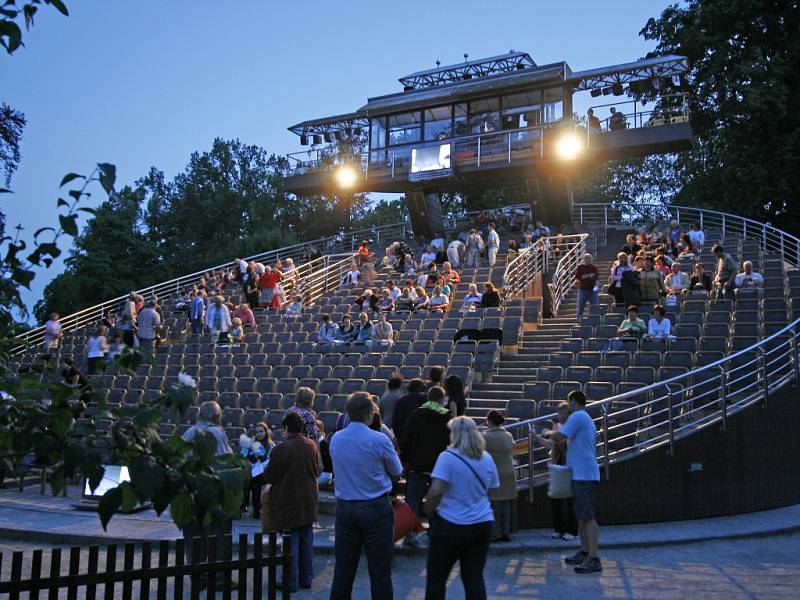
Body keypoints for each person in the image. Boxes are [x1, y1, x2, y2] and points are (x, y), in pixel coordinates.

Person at [329, 392, 402, 600]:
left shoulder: (336, 439)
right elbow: (397, 471)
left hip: (345, 507)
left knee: (343, 571)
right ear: (370, 414)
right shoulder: (379, 439)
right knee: (380, 571)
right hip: (376, 507)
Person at [422, 416, 499, 599]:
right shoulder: (487, 458)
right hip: (482, 522)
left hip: (451, 523)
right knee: (474, 577)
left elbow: (436, 491)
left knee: (437, 577)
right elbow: (494, 489)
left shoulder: (447, 457)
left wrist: (427, 508)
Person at [262, 412, 321, 593]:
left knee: (290, 542)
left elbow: (269, 476)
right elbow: (318, 470)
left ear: (286, 428)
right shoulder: (312, 445)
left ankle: (290, 581)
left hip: (288, 500)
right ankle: (306, 578)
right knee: (306, 539)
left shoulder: (282, 449)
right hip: (308, 499)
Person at [549, 390, 602, 573]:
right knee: (581, 516)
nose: (567, 405)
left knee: (588, 517)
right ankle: (584, 551)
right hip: (580, 474)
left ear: (573, 402)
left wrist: (546, 431)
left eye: (568, 402)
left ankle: (594, 558)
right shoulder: (582, 417)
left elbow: (558, 437)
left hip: (585, 474)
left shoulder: (578, 416)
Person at [181, 401, 234, 573]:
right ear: (216, 417)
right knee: (217, 535)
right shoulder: (217, 433)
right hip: (213, 493)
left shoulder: (189, 433)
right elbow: (225, 462)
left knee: (194, 536)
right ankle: (218, 575)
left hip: (191, 492)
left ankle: (198, 574)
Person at [399, 386, 452, 547]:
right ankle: (436, 534)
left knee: (412, 502)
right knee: (438, 501)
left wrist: (406, 460)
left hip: (417, 466)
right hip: (439, 468)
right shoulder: (447, 417)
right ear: (442, 399)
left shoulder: (415, 415)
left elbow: (405, 439)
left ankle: (412, 535)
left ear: (428, 398)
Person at [532, 403, 578, 541]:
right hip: (558, 464)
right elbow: (550, 444)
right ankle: (558, 529)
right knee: (555, 497)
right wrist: (535, 437)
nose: (561, 416)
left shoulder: (571, 427)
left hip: (571, 465)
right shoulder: (558, 427)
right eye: (559, 413)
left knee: (570, 499)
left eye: (564, 414)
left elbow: (555, 439)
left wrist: (544, 434)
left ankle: (572, 530)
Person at [239, 422, 274, 519]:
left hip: (265, 473)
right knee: (252, 483)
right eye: (257, 432)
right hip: (252, 472)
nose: (259, 434)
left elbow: (269, 461)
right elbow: (243, 456)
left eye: (261, 431)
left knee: (254, 481)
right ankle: (252, 509)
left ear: (266, 432)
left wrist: (259, 467)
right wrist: (251, 465)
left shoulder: (271, 446)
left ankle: (251, 508)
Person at [575, 253, 599, 322]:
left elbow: (595, 277)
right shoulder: (580, 267)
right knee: (581, 306)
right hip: (583, 290)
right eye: (586, 258)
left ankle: (593, 321)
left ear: (591, 259)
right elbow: (578, 277)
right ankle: (579, 321)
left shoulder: (594, 268)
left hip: (593, 290)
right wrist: (587, 276)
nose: (587, 260)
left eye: (589, 258)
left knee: (594, 306)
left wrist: (585, 276)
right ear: (584, 259)